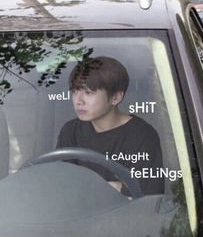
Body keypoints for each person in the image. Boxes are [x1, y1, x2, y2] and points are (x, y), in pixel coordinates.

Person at [56, 56, 164, 195]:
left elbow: (146, 197)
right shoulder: (71, 130)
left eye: (88, 92)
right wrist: (114, 187)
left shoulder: (143, 136)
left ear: (116, 98)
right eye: (75, 91)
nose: (78, 101)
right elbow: (61, 185)